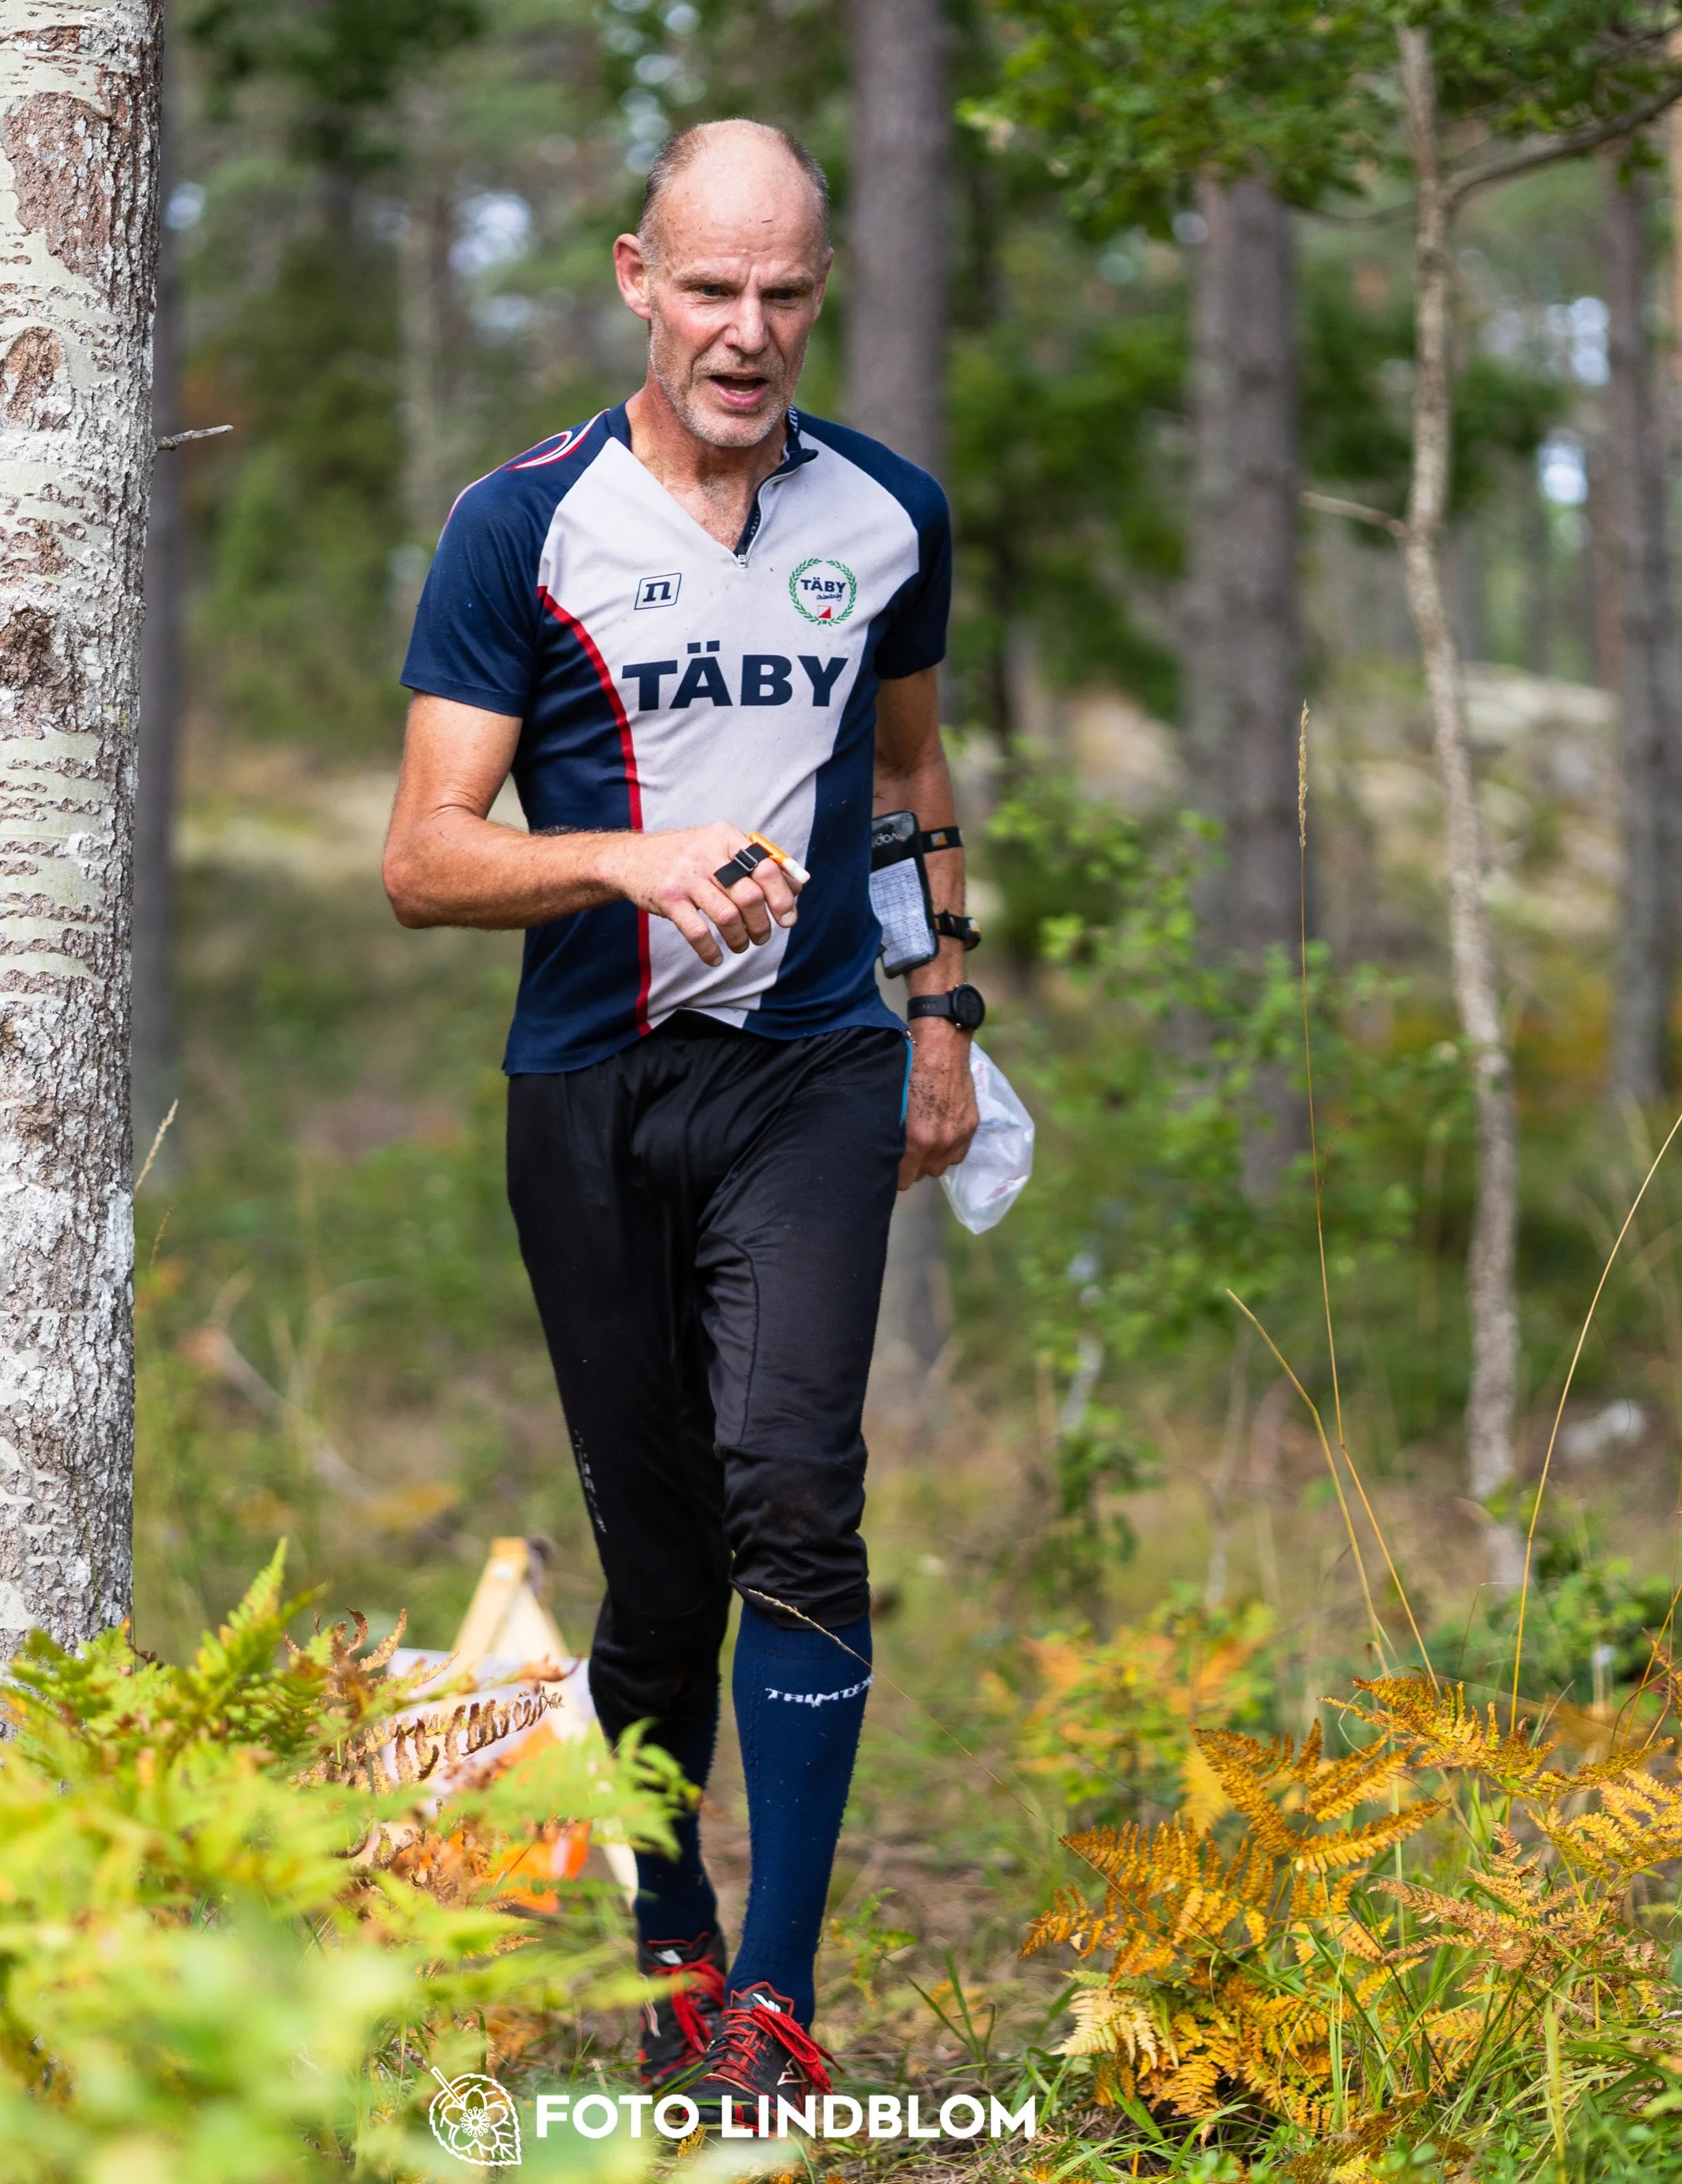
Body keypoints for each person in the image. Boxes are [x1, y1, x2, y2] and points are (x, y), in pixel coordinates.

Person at [381, 118, 982, 2115]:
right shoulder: (519, 526)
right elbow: (422, 859)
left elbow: (906, 776)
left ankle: (776, 2011)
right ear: (638, 276)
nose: (745, 333)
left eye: (783, 295)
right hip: (590, 1088)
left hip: (807, 1070)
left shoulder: (885, 516)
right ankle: (673, 1936)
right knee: (659, 1572)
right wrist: (629, 862)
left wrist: (945, 1014)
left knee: (797, 1488)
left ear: (820, 295)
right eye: (709, 289)